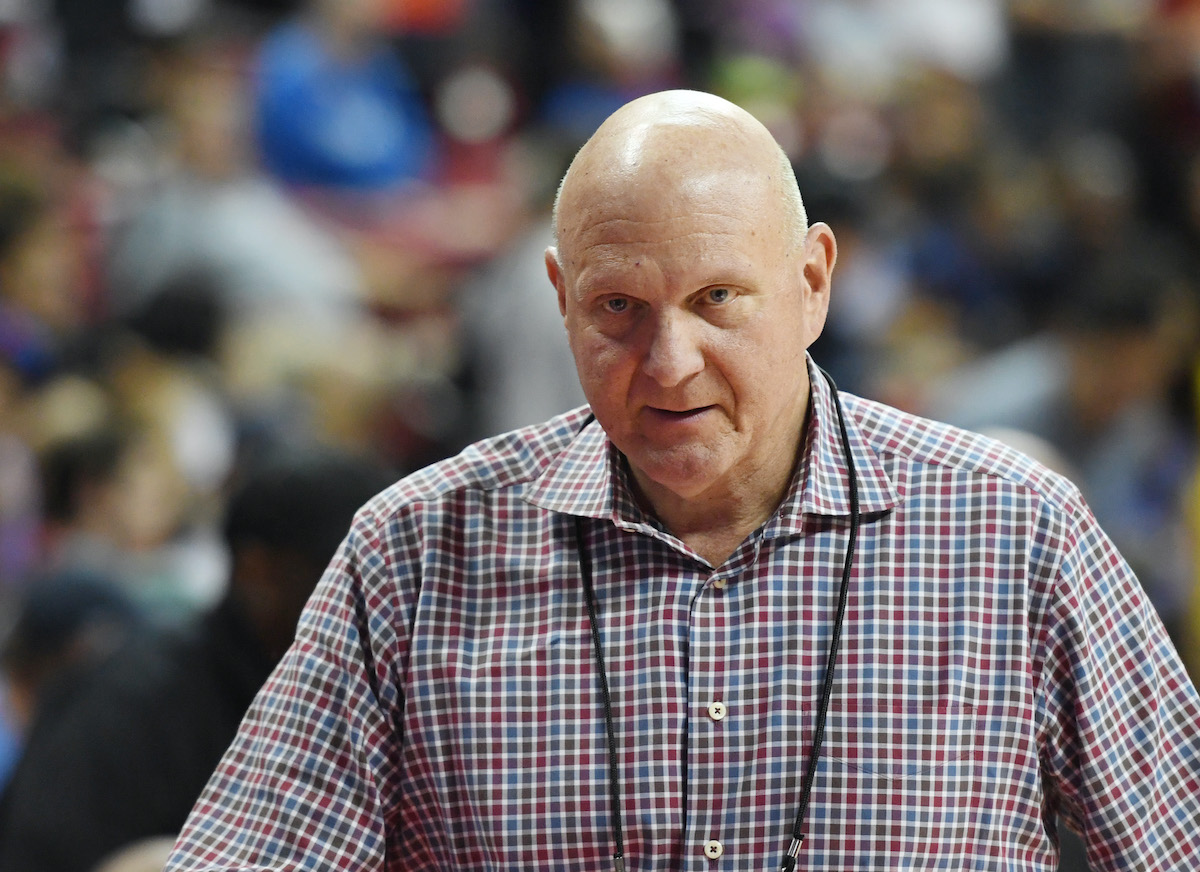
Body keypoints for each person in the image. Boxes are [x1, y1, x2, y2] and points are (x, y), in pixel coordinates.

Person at [165, 90, 1200, 871]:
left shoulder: (1014, 533)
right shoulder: (414, 555)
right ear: (560, 298)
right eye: (619, 308)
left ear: (811, 283)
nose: (669, 362)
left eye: (718, 298)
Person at [0, 447, 394, 872]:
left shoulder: (366, 690)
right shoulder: (133, 706)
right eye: (346, 569)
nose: (385, 590)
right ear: (258, 571)